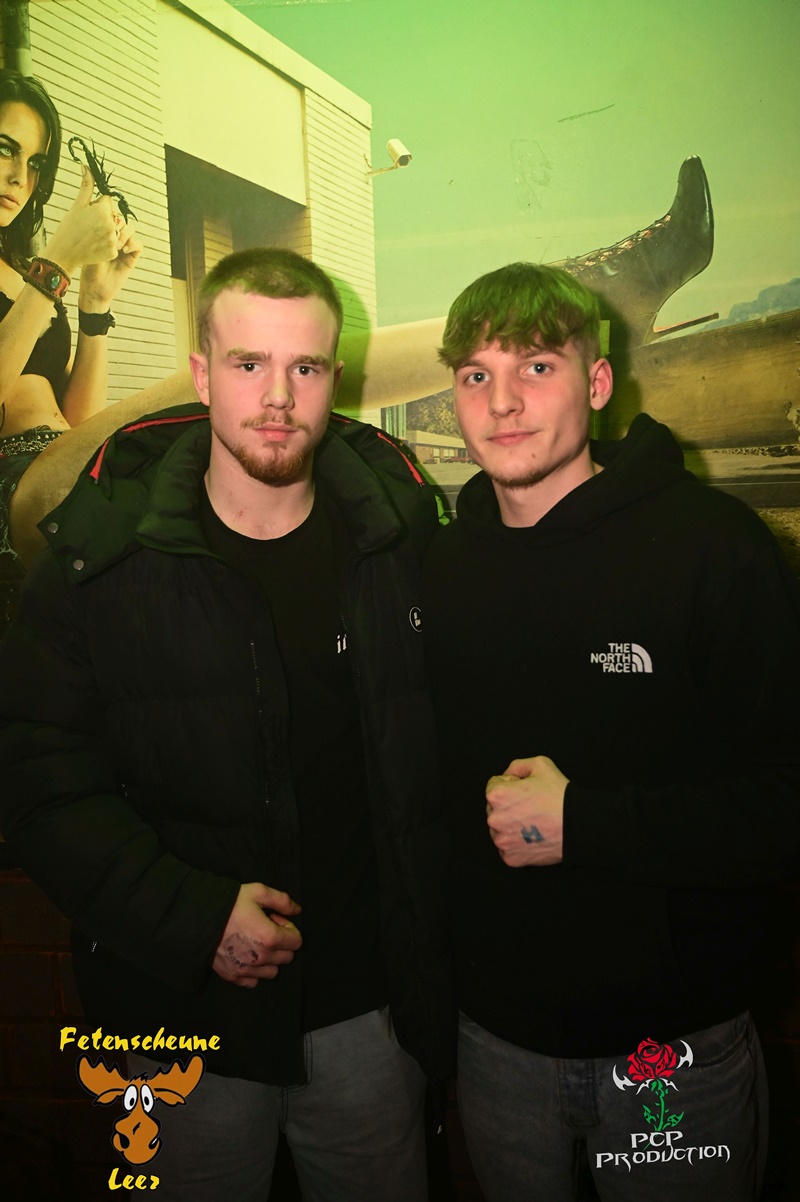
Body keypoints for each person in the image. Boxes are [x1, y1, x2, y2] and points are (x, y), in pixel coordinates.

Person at [0, 247, 452, 1201]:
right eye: (249, 364)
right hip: (173, 1018)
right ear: (202, 375)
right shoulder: (99, 558)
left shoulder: (399, 540)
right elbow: (35, 776)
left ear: (336, 378)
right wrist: (191, 917)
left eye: (305, 367)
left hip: (369, 1019)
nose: (277, 397)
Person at [422, 261, 800, 1201]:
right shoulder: (436, 569)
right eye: (476, 375)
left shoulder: (713, 547)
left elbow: (783, 805)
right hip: (497, 1046)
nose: (503, 403)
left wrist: (584, 823)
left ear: (596, 383)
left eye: (536, 367)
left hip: (673, 1048)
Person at [0, 69, 144, 627]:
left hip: (65, 461)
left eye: (36, 163)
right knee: (223, 383)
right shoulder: (41, 274)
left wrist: (93, 305)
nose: (20, 177)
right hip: (15, 482)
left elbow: (80, 421)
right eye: (5, 149)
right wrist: (57, 262)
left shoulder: (23, 271)